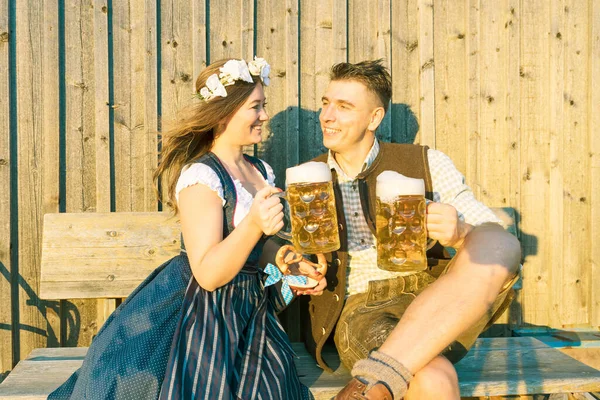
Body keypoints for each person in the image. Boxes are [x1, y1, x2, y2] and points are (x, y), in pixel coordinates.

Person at [49, 57, 317, 400]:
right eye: (255, 107)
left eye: (263, 106)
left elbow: (259, 248)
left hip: (246, 313)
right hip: (195, 314)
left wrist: (290, 263)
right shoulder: (201, 177)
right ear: (223, 114)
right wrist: (253, 223)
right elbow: (207, 273)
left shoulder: (260, 171)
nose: (264, 116)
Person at [269, 60, 521, 400]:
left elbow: (489, 231)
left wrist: (460, 232)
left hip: (439, 295)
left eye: (344, 107)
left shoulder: (426, 162)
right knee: (432, 374)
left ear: (374, 118)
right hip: (363, 307)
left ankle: (377, 380)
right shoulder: (306, 178)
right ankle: (381, 379)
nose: (327, 116)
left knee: (501, 244)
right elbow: (278, 251)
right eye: (326, 103)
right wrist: (295, 266)